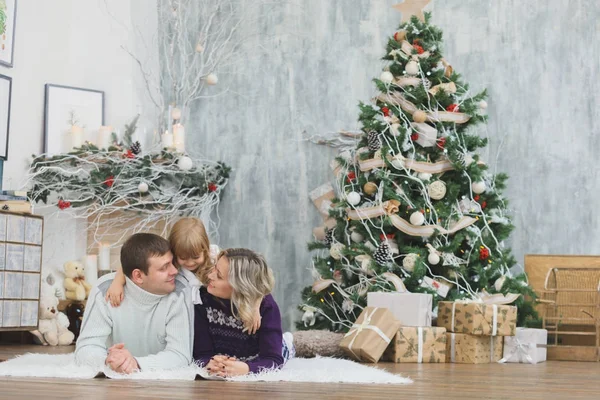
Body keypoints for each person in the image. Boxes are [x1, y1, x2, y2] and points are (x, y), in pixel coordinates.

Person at [75, 233, 192, 373]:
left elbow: (181, 355)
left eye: (172, 263)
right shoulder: (104, 289)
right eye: (163, 268)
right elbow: (85, 348)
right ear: (138, 276)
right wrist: (107, 361)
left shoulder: (180, 291)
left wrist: (136, 363)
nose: (174, 271)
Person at [193, 248, 294, 377]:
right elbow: (201, 353)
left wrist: (247, 369)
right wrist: (209, 362)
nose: (209, 275)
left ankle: (288, 341)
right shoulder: (203, 300)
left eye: (219, 275)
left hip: (258, 355)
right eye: (214, 268)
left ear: (238, 286)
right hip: (231, 357)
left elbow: (273, 360)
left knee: (283, 349)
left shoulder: (266, 307)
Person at [106, 218, 220, 308]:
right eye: (183, 257)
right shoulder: (171, 259)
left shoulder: (214, 257)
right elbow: (131, 263)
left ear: (205, 249)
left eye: (195, 257)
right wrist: (117, 283)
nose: (190, 263)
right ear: (175, 251)